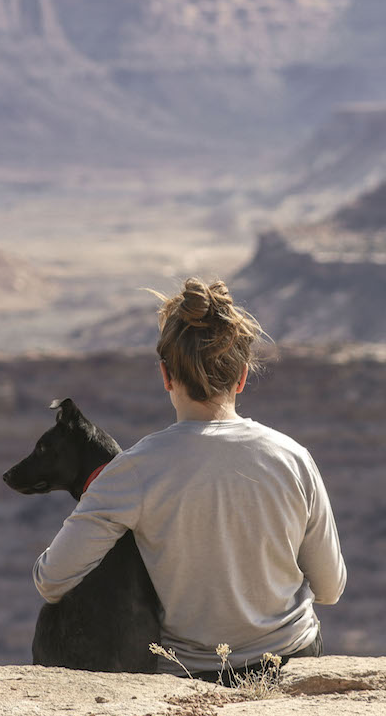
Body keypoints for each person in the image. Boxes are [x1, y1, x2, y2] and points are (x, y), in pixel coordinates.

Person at [32, 277, 346, 681]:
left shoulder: (133, 471)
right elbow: (330, 589)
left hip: (192, 675)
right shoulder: (293, 459)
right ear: (242, 376)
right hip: (292, 661)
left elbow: (50, 580)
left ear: (165, 375)